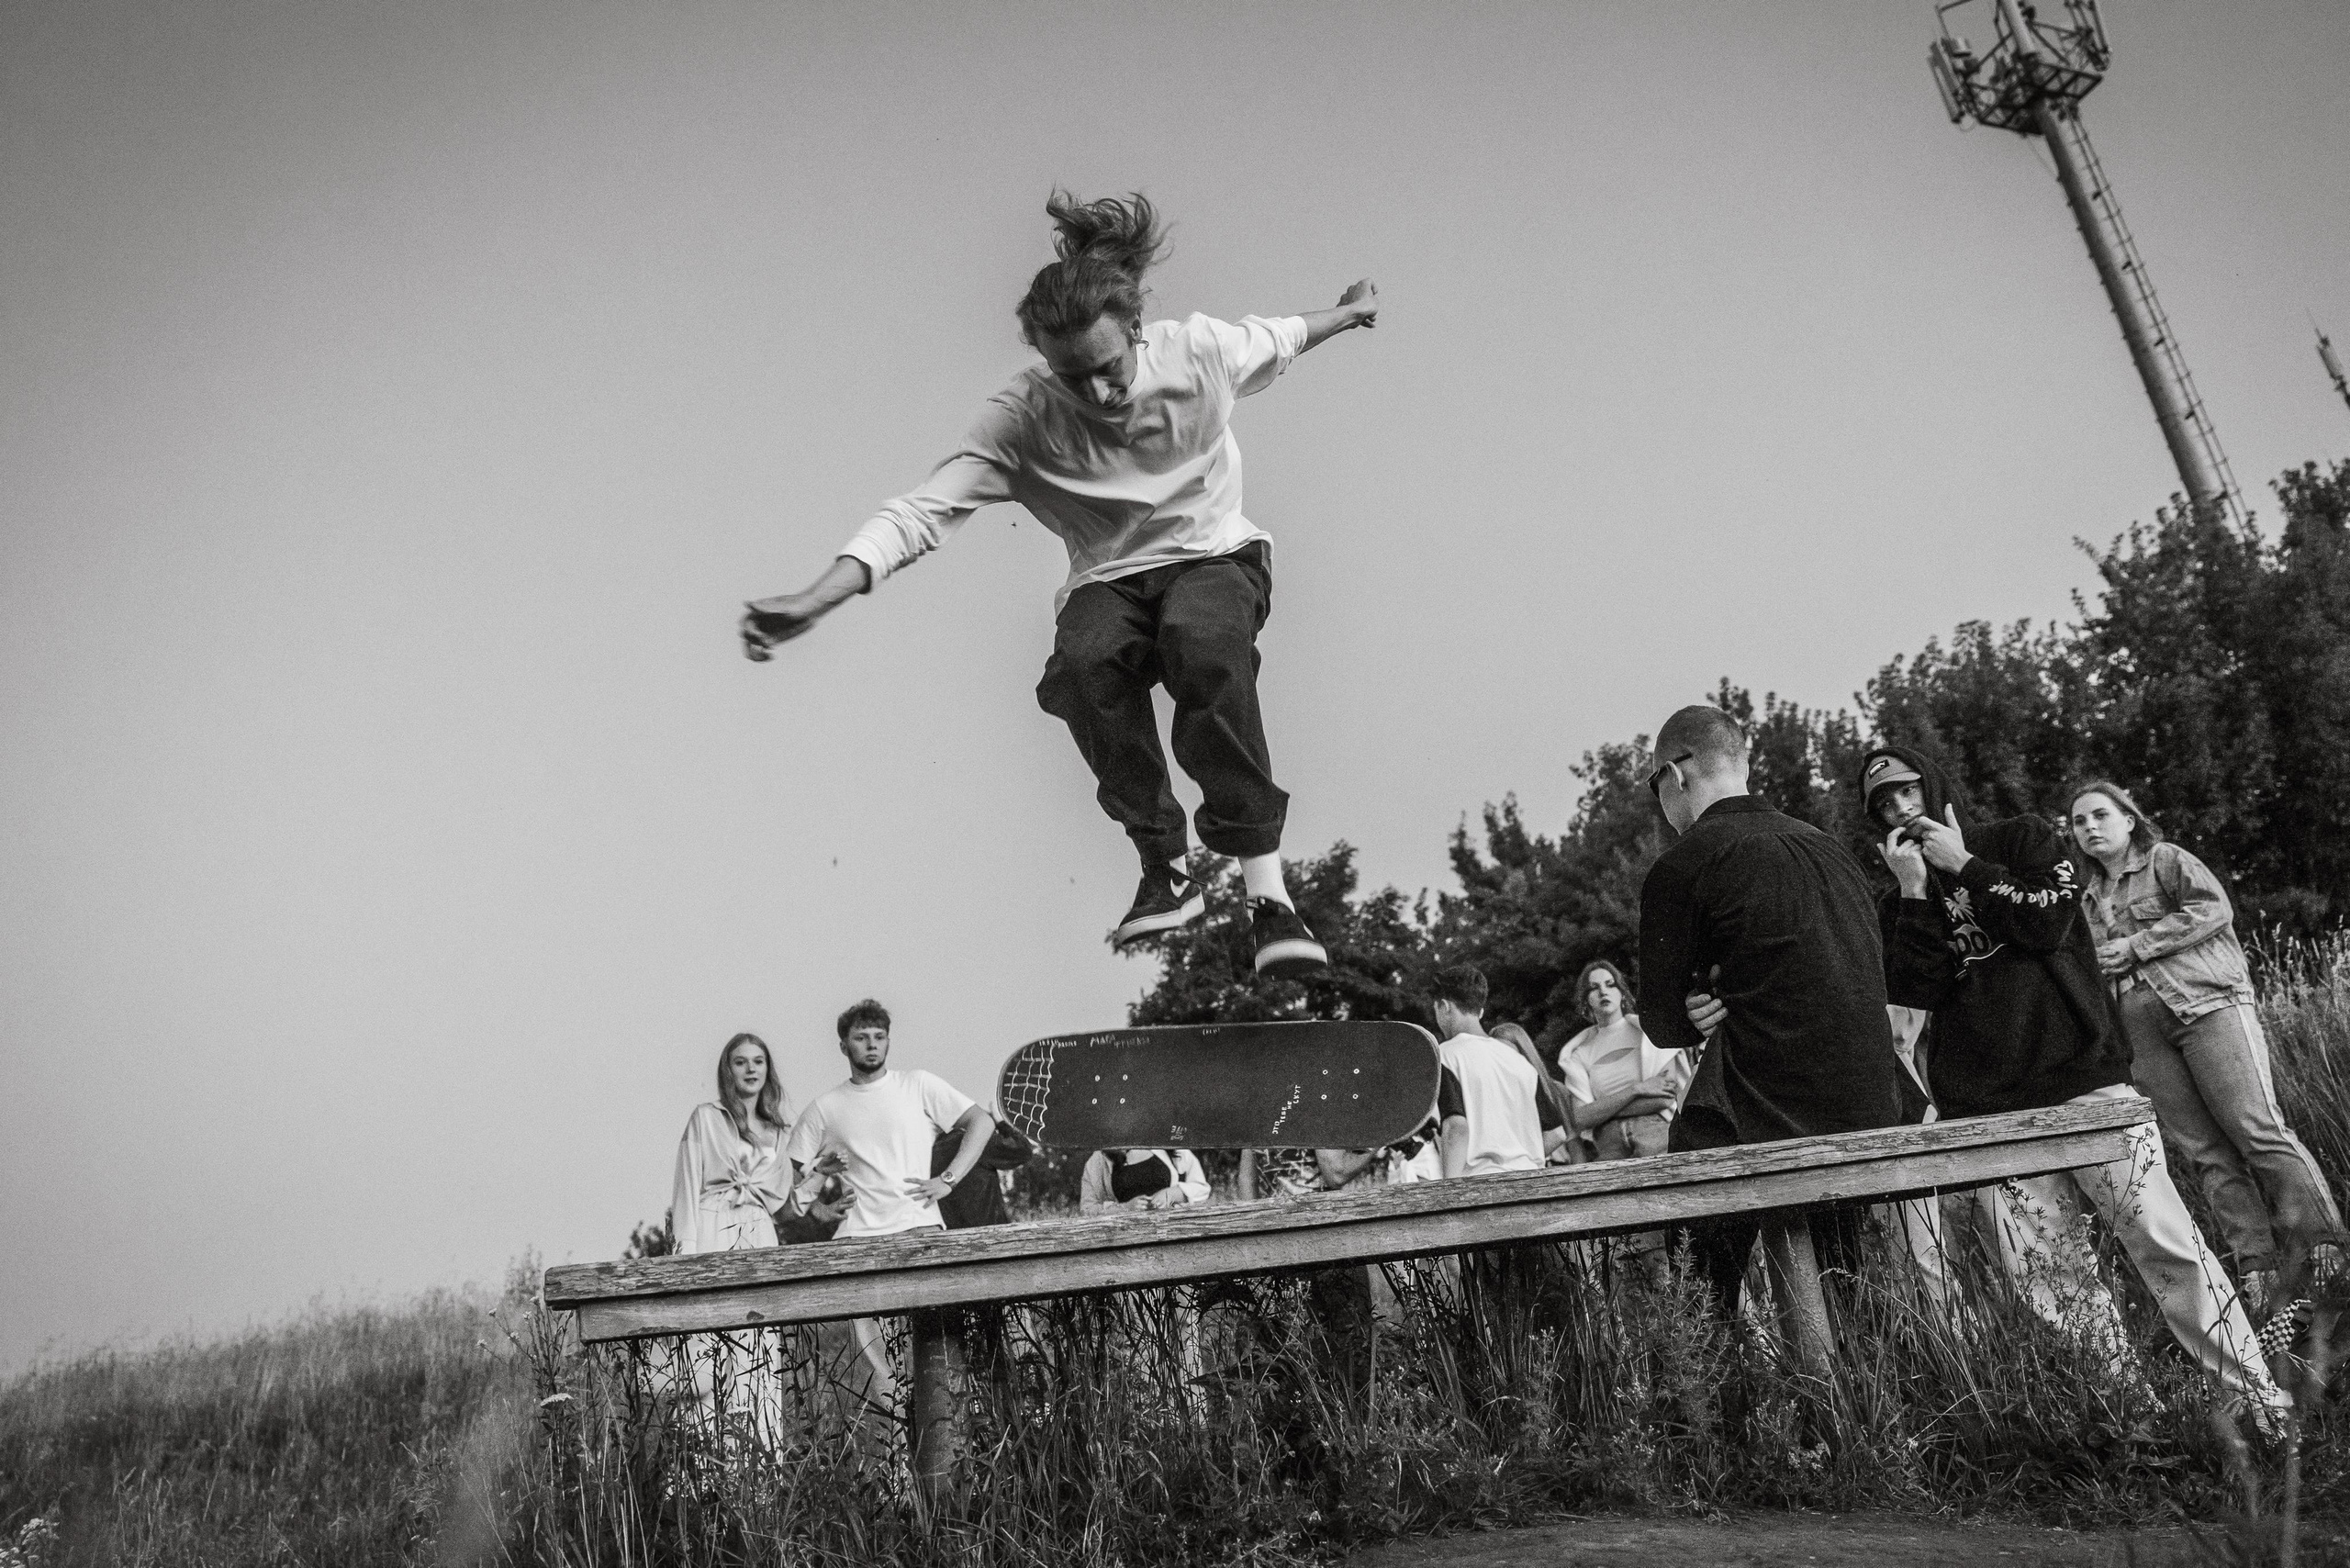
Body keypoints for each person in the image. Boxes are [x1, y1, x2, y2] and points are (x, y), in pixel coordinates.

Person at [740, 190, 1380, 978]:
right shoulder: (1021, 418)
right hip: (1108, 577)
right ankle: (1164, 869)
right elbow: (920, 512)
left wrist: (1350, 313)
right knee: (1082, 669)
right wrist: (817, 597)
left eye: (1110, 370)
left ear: (1138, 331)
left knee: (1202, 645)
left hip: (1215, 556)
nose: (1100, 395)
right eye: (1074, 377)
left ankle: (1269, 896)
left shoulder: (1202, 350)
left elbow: (1285, 336)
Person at [1862, 746, 2287, 1429]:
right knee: (2047, 1276)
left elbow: (2049, 922)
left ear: (1935, 789)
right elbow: (1917, 988)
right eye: (1883, 806)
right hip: (1990, 1106)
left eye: (1908, 794)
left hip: (2083, 1084)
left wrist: (1962, 865)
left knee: (2163, 1242)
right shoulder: (1899, 895)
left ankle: (2262, 1408)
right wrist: (1914, 890)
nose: (1899, 812)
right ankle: (2132, 1424)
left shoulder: (2021, 839)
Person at [1638, 705, 1903, 1320]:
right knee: (1847, 1290)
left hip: (1764, 1115)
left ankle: (1710, 1404)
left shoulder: (1682, 865)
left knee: (1695, 1282)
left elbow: (1662, 1023)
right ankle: (1866, 1397)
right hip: (1867, 1106)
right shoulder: (1831, 848)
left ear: (1676, 774)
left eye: (1656, 787)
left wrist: (1694, 1008)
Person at [2070, 780, 2343, 1306]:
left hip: (2207, 1007)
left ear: (2129, 820)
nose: (2090, 828)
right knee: (2206, 1153)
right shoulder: (2085, 900)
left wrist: (2136, 944)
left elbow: (2213, 909)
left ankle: (2325, 1251)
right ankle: (2261, 1274)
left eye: (2100, 815)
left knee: (2256, 1129)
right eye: (2080, 823)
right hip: (2140, 1031)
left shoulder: (2166, 860)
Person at [782, 1000, 999, 1405]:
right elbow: (785, 1175)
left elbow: (981, 1122)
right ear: (844, 1045)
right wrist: (818, 1207)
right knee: (876, 1372)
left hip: (920, 1230)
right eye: (861, 1038)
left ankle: (947, 1460)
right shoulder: (825, 1107)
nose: (872, 1045)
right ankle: (896, 1464)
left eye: (879, 1037)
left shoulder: (917, 1084)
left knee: (939, 1357)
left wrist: (947, 1180)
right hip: (859, 1240)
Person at [671, 1032, 847, 1254]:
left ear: (767, 1069)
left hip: (761, 1232)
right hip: (711, 1227)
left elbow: (783, 1210)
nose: (751, 1069)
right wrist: (683, 1254)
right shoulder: (706, 1117)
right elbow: (685, 1191)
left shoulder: (779, 1134)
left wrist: (820, 1174)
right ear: (728, 1071)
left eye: (758, 1061)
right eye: (740, 1062)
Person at [1431, 965, 1568, 1178]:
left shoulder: (1445, 1056)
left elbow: (1456, 1128)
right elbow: (1557, 1134)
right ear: (1481, 1011)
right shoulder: (1520, 1062)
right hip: (1531, 1180)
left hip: (1480, 1183)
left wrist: (1448, 1192)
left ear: (1444, 1006)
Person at [1553, 961, 1690, 1164]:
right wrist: (1638, 1088)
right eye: (1594, 988)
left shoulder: (1649, 1034)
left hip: (1653, 1134)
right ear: (1586, 1001)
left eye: (1610, 984)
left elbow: (1664, 1099)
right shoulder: (1580, 1053)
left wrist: (1602, 1110)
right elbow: (1581, 1118)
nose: (1603, 992)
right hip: (1609, 1144)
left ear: (1622, 992)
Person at [1080, 1148, 1212, 1213]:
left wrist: (1172, 1194)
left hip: (1172, 1233)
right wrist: (1125, 1208)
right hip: (1127, 1242)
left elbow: (1202, 1188)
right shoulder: (1098, 1160)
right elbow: (1087, 1209)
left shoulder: (1167, 1143)